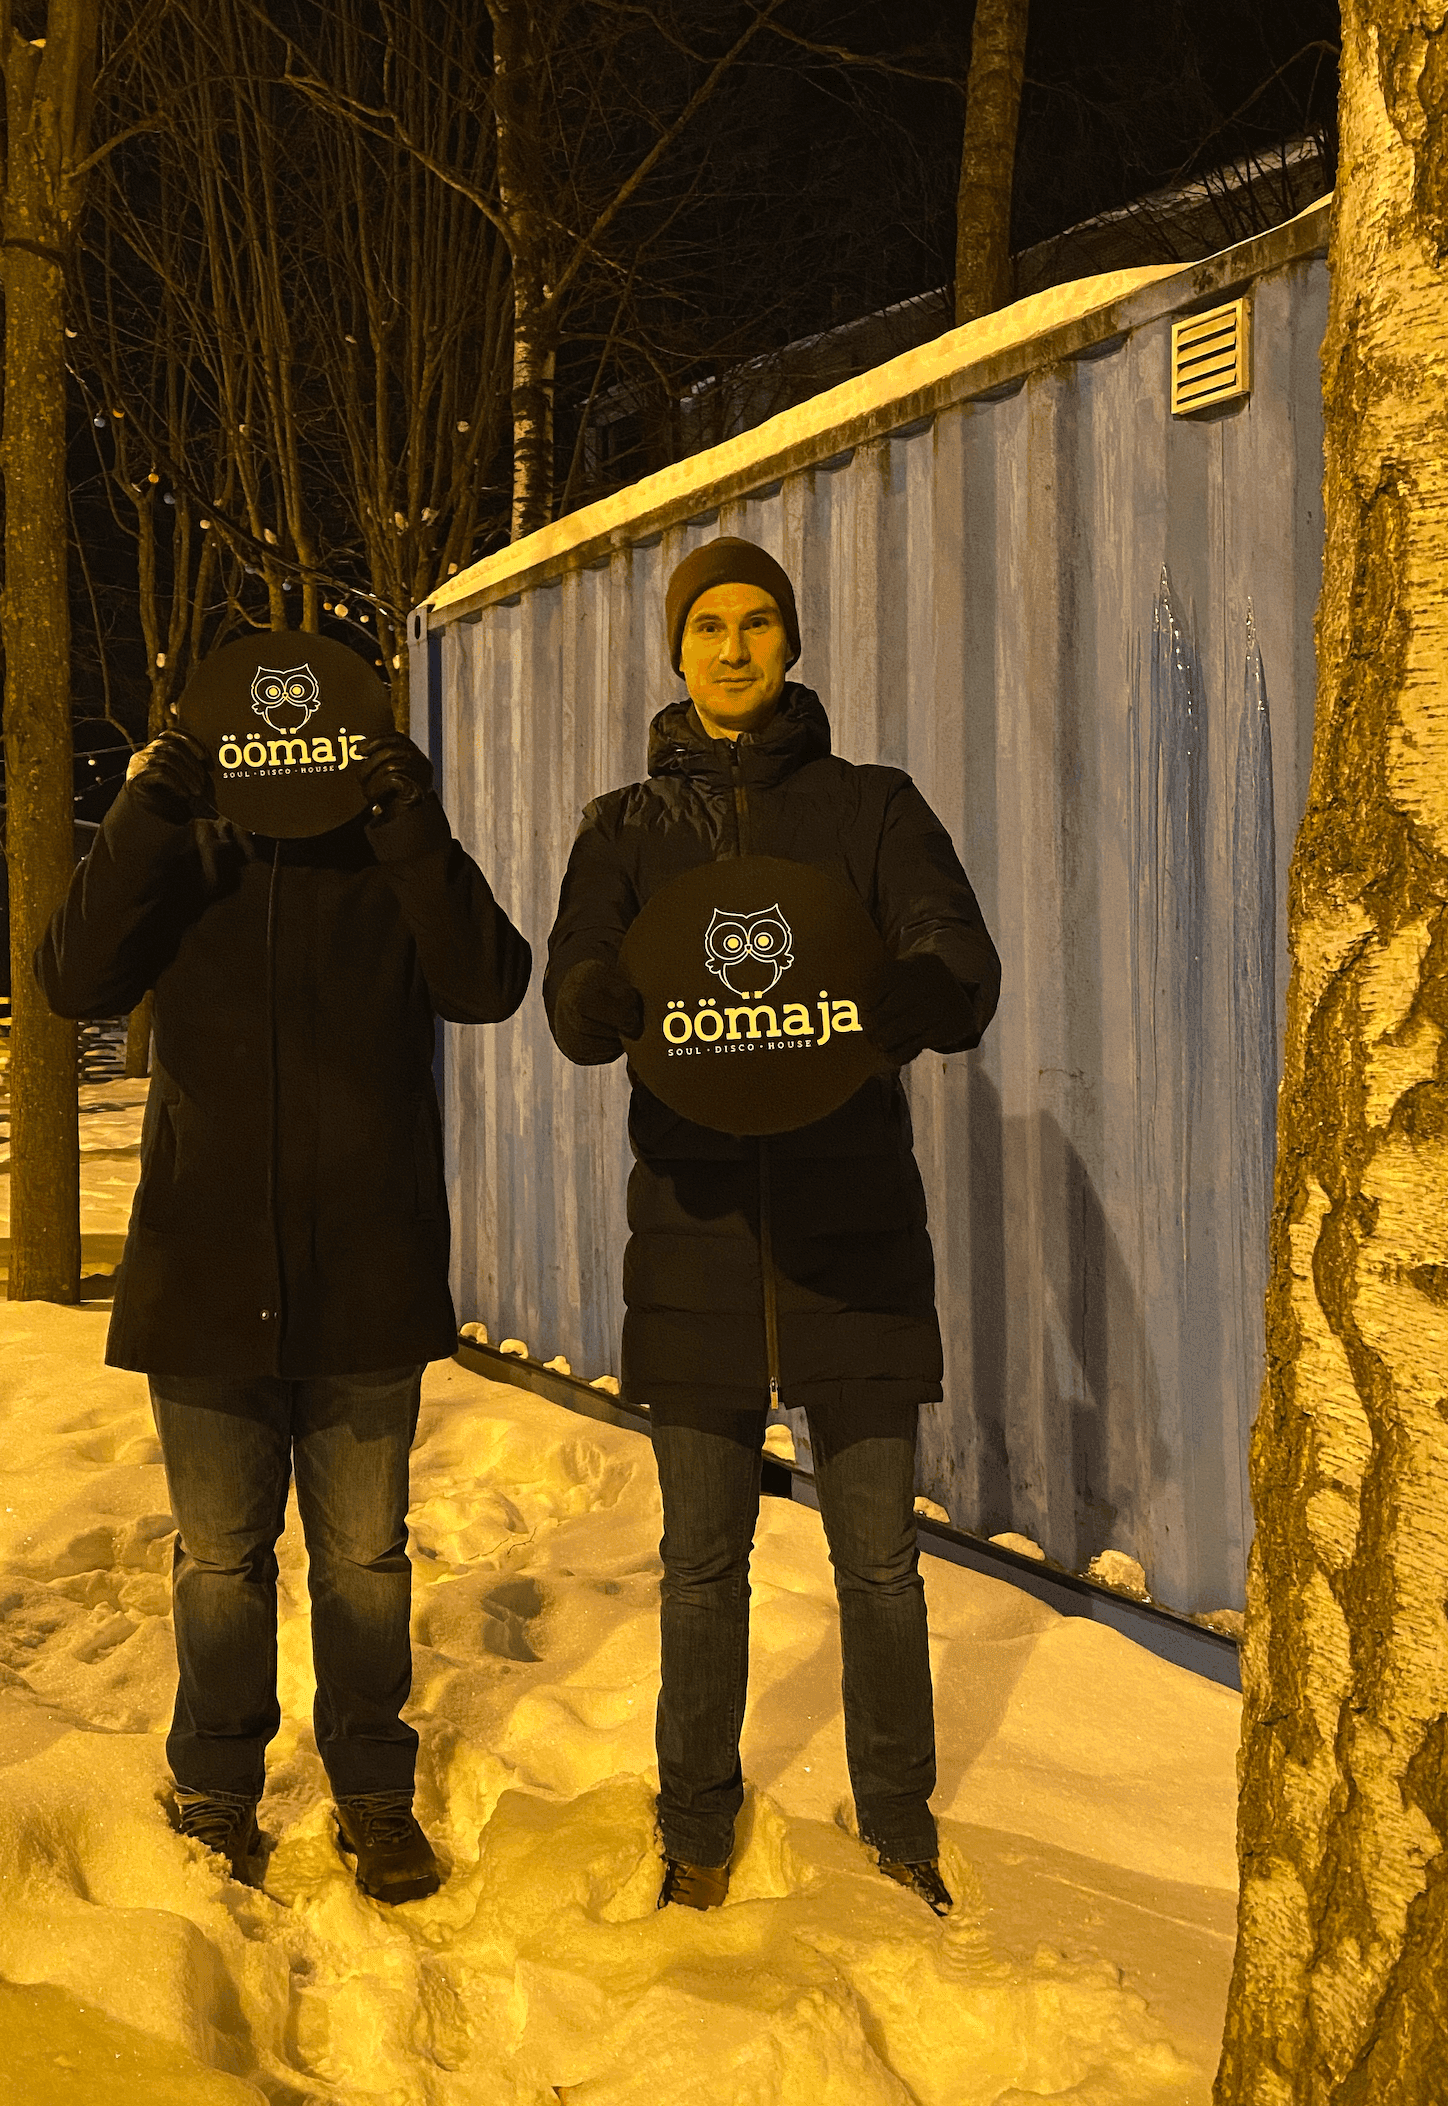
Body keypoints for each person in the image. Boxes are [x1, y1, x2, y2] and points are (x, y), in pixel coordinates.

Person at [543, 535, 999, 1916]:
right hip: (691, 1236)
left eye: (756, 623)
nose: (733, 647)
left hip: (853, 1233)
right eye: (709, 626)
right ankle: (694, 1823)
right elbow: (575, 980)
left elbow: (955, 952)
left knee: (879, 1561)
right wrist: (592, 1000)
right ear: (676, 651)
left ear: (789, 644)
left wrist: (922, 993)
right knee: (700, 1563)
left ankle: (899, 1819)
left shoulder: (871, 808)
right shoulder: (623, 828)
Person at [37, 706, 531, 1905]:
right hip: (205, 1272)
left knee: (364, 1558)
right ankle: (215, 1786)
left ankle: (372, 1792)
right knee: (219, 1559)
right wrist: (144, 810)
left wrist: (412, 823)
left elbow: (488, 981)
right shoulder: (187, 851)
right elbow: (73, 977)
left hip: (366, 1269)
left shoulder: (385, 852)